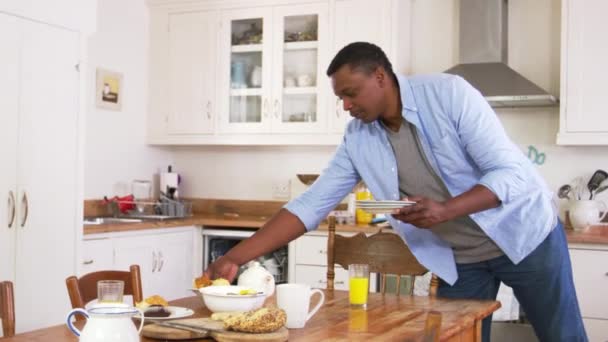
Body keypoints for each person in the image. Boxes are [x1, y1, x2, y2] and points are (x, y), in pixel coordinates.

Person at [204, 42, 587, 342]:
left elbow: (511, 173)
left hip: (526, 236)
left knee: (562, 336)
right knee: (455, 340)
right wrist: (235, 257)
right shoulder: (358, 137)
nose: (346, 106)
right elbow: (312, 203)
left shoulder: (450, 95)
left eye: (351, 93)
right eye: (341, 97)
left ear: (381, 77)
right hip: (462, 258)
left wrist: (446, 210)